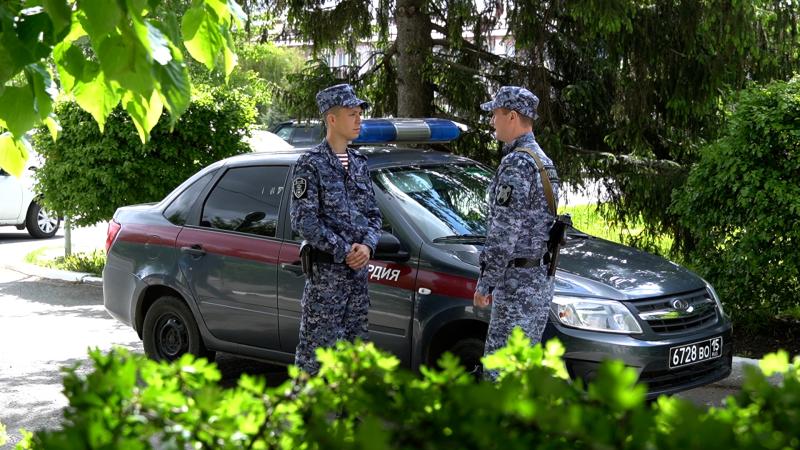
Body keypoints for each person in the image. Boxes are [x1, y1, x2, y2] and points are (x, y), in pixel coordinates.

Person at [289, 83, 383, 375]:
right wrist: (345, 251)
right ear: (332, 119)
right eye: (352, 114)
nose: (359, 120)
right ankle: (308, 418)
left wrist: (367, 246)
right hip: (326, 281)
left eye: (359, 114)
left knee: (354, 359)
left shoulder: (359, 164)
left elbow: (374, 216)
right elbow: (303, 221)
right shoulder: (311, 164)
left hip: (357, 280)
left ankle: (348, 419)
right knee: (314, 361)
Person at [473, 86, 560, 380]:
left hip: (516, 287)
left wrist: (486, 285)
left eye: (495, 114)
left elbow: (503, 234)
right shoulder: (542, 161)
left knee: (500, 372)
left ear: (511, 116)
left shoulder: (516, 164)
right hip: (537, 282)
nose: (491, 122)